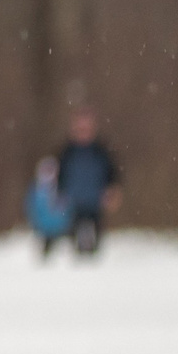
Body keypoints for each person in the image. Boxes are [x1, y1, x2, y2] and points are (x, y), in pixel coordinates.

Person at [53, 109, 122, 257]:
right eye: (80, 129)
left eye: (86, 129)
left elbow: (113, 174)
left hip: (95, 201)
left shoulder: (102, 151)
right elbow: (59, 175)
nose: (83, 132)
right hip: (74, 202)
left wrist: (113, 192)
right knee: (74, 237)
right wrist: (59, 194)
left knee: (95, 239)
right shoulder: (66, 152)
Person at [26, 156, 71, 259]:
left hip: (60, 228)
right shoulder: (36, 190)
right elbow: (31, 207)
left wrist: (66, 222)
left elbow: (68, 207)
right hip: (43, 229)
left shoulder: (61, 188)